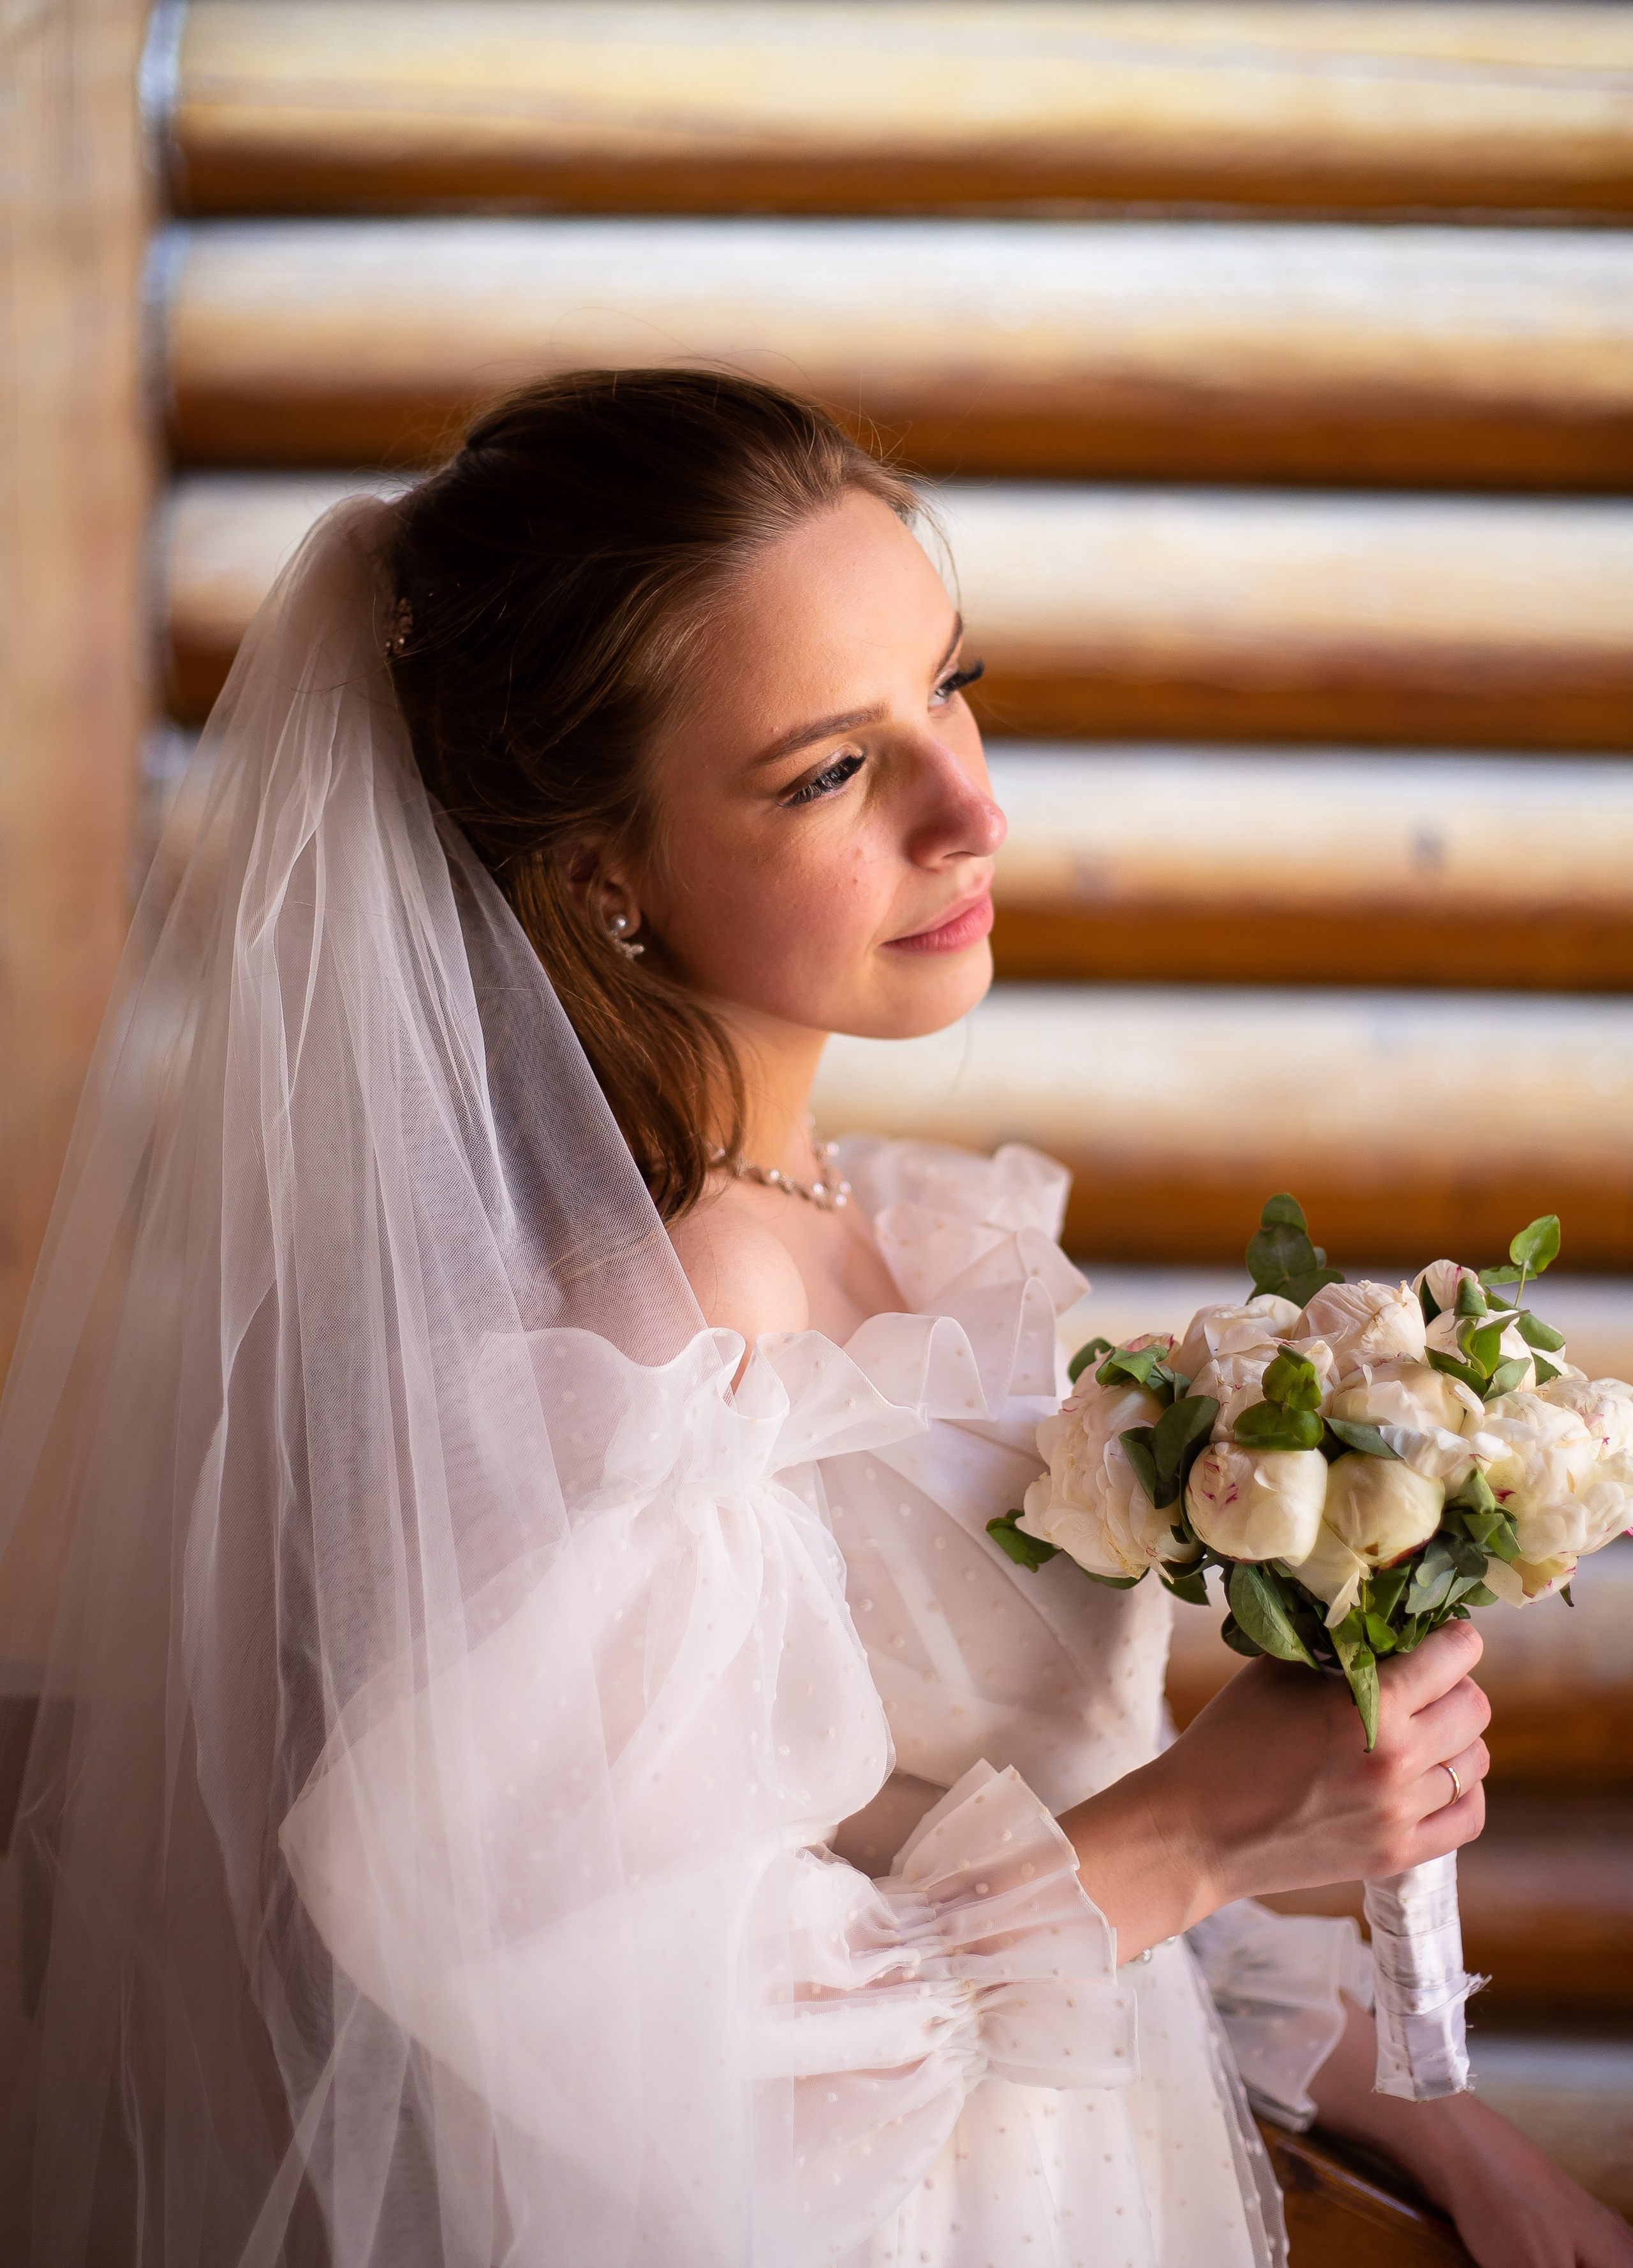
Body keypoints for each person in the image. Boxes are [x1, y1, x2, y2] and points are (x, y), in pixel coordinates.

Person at [0, 371, 1624, 2268]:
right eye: (831, 770)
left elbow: (1037, 1833)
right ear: (600, 872)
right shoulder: (635, 1364)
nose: (972, 806)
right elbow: (694, 2081)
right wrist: (1200, 1828)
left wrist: (1446, 2126)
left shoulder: (893, 1224)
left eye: (950, 681)